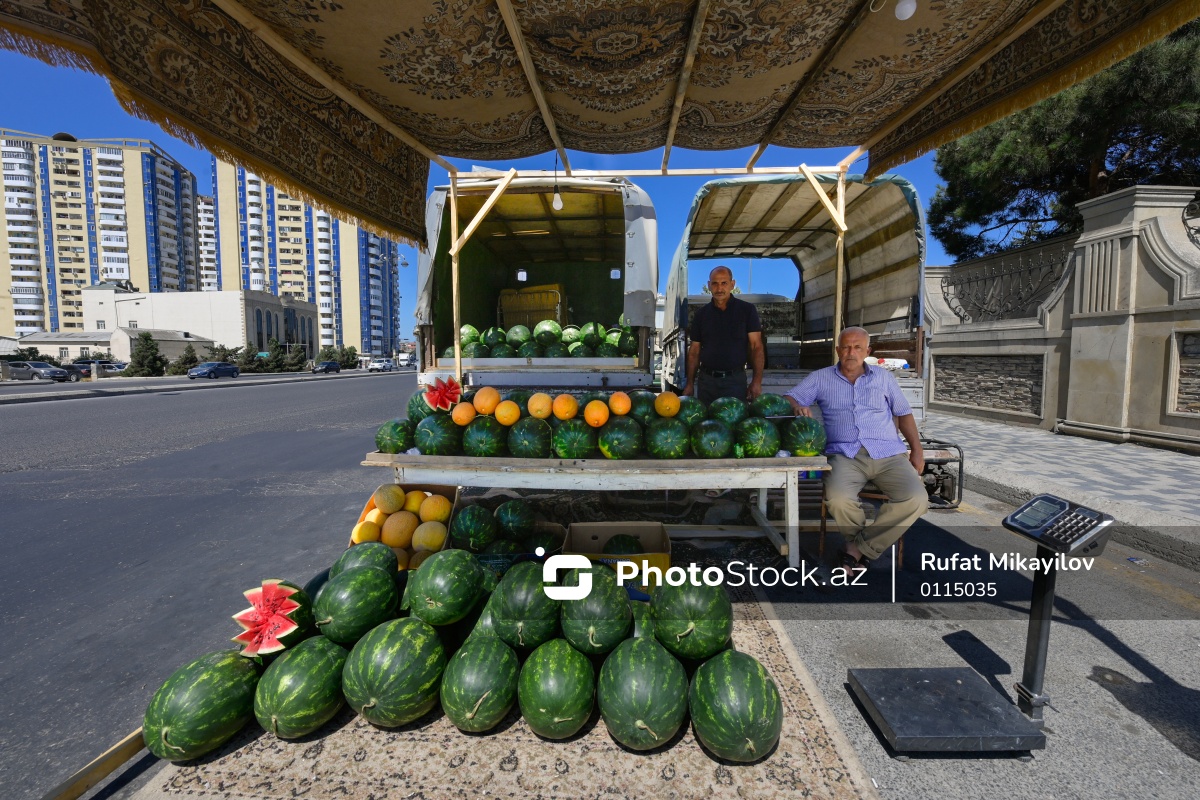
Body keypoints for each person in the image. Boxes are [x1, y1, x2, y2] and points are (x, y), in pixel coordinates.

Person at [785, 327, 926, 574]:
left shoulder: (883, 377)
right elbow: (789, 398)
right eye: (846, 347)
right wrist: (797, 406)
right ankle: (861, 550)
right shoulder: (821, 378)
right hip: (845, 455)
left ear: (867, 351)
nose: (851, 352)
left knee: (916, 499)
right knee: (838, 499)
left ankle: (855, 550)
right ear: (838, 350)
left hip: (888, 454)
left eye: (858, 347)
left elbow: (903, 413)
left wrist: (917, 450)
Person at [681, 266, 764, 403]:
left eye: (724, 283)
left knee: (734, 416)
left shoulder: (747, 310)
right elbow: (694, 351)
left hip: (735, 382)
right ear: (709, 285)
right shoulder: (701, 315)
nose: (719, 288)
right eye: (715, 283)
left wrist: (757, 381)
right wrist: (689, 383)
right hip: (707, 383)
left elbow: (756, 347)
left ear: (732, 284)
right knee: (706, 417)